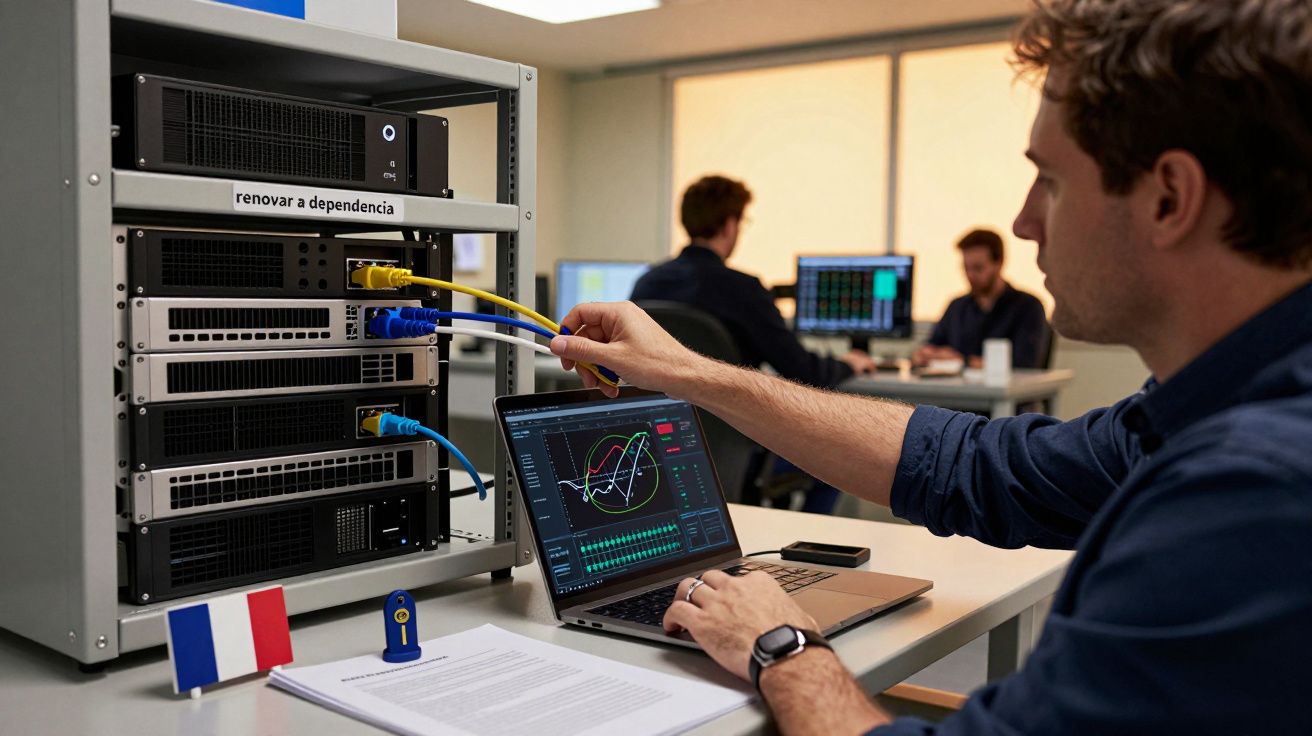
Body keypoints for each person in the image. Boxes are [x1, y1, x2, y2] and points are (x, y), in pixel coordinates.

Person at [548, 1, 1312, 733]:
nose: (1023, 220)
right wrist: (689, 372)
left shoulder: (1253, 498)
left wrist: (783, 646)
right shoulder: (1204, 416)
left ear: (1169, 198)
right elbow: (977, 464)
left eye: (1049, 178)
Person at [630, 174, 877, 387]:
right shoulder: (743, 289)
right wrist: (846, 364)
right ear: (729, 225)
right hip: (732, 431)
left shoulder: (647, 283)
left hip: (668, 429)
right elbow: (803, 371)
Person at [913, 229, 1050, 368]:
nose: (970, 275)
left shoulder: (1028, 308)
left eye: (978, 268)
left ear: (999, 263)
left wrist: (962, 361)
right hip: (956, 388)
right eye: (966, 268)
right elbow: (932, 345)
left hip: (1004, 389)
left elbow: (1024, 364)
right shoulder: (957, 307)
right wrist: (925, 355)